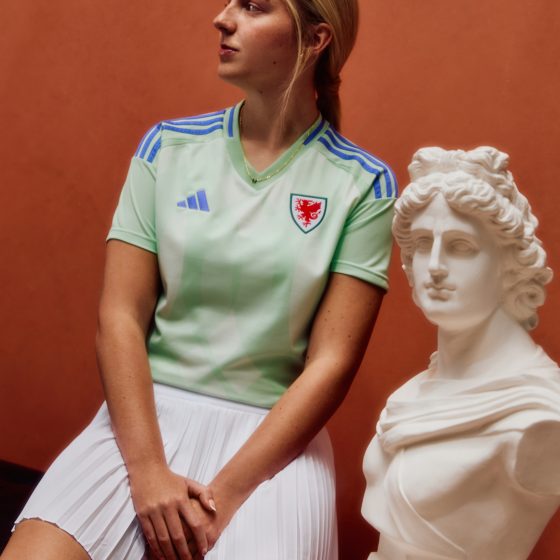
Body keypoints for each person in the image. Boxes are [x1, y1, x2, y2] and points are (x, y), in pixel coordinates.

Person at [4, 1, 397, 559]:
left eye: (254, 6)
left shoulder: (365, 184)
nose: (223, 17)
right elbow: (119, 317)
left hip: (272, 446)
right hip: (144, 420)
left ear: (316, 39)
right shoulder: (167, 148)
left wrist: (225, 496)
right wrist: (148, 471)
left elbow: (332, 364)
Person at [362, 146, 560, 560]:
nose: (434, 266)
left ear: (509, 263)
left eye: (461, 246)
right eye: (421, 243)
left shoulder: (538, 417)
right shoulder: (416, 391)